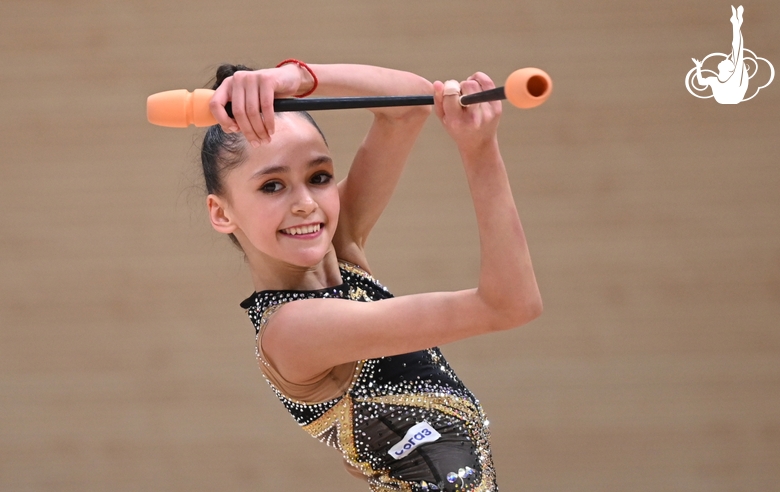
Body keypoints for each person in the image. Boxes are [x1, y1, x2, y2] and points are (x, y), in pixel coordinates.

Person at [201, 60, 543, 492]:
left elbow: (408, 105)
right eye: (272, 185)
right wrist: (479, 151)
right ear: (221, 211)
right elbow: (509, 304)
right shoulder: (293, 330)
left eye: (319, 176)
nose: (306, 203)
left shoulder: (339, 251)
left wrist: (297, 77)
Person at [692, 5, 748, 104]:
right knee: (737, 52)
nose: (724, 59)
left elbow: (737, 49)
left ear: (729, 69)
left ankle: (736, 23)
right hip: (730, 97)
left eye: (727, 61)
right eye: (728, 60)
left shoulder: (732, 77)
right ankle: (736, 23)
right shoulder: (716, 80)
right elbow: (700, 82)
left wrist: (698, 68)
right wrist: (698, 67)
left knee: (737, 51)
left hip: (732, 96)